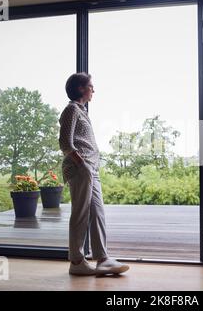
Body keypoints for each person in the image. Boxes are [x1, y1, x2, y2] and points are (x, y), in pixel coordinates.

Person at [59, 72, 129, 276]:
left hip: (90, 170)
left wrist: (90, 168)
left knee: (98, 213)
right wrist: (83, 165)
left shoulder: (81, 111)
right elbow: (65, 143)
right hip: (80, 169)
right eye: (91, 86)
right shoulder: (71, 109)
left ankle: (103, 259)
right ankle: (77, 261)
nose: (93, 90)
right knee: (80, 214)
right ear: (81, 89)